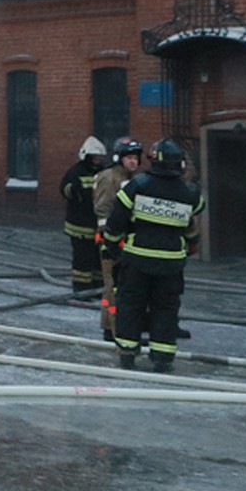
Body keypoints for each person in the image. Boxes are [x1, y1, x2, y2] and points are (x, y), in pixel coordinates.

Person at [104, 137, 204, 372]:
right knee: (166, 308)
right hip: (171, 264)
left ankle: (128, 353)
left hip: (137, 259)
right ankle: (163, 356)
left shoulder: (138, 186)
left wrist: (111, 245)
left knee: (131, 304)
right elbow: (190, 227)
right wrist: (192, 246)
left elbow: (116, 220)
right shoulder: (189, 193)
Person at [94, 136, 143, 342]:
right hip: (113, 243)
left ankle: (110, 327)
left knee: (118, 288)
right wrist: (112, 240)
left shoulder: (132, 179)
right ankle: (115, 331)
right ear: (119, 158)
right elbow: (103, 209)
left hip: (128, 241)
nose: (134, 162)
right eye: (129, 158)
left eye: (136, 158)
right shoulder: (109, 177)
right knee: (114, 288)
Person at [60, 136, 108, 294]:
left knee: (98, 259)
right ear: (86, 157)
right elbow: (64, 189)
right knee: (83, 259)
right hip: (79, 226)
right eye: (94, 158)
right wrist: (76, 191)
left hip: (97, 225)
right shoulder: (76, 172)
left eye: (99, 158)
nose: (97, 160)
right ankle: (81, 289)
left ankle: (97, 287)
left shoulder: (103, 172)